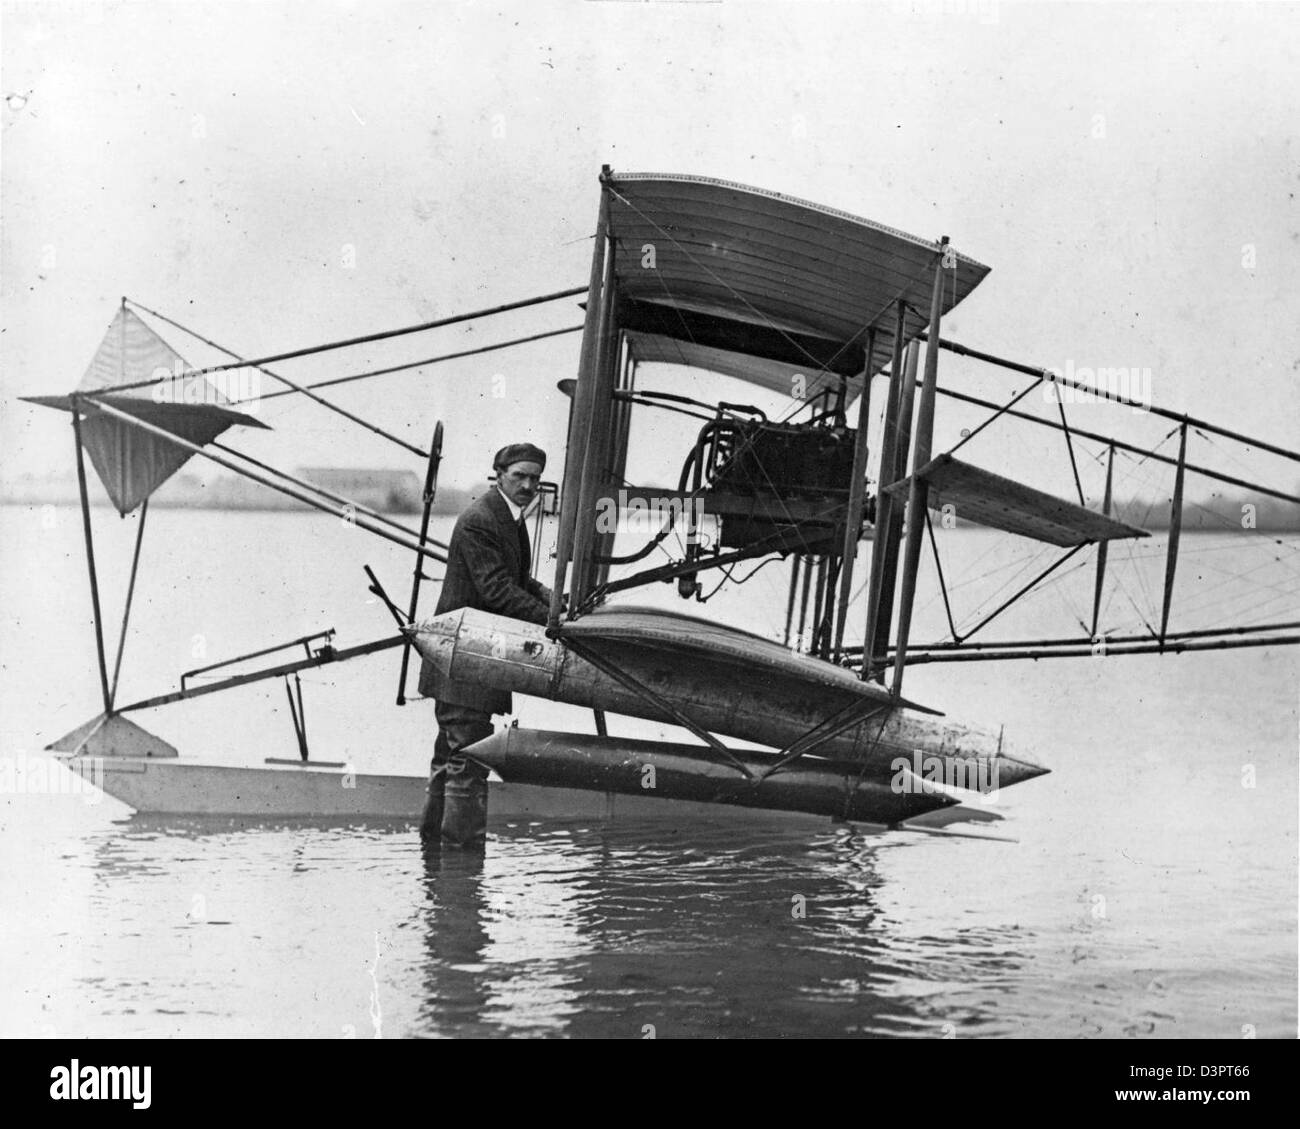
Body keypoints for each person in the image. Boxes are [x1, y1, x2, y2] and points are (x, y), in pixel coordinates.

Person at [417, 442, 553, 846]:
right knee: (470, 759)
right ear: (498, 473)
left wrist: (550, 595)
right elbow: (496, 590)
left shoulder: (508, 518)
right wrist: (551, 621)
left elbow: (517, 580)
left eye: (535, 479)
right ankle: (462, 861)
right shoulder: (481, 519)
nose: (528, 485)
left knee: (451, 757)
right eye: (520, 477)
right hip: (466, 659)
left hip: (466, 660)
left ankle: (435, 853)